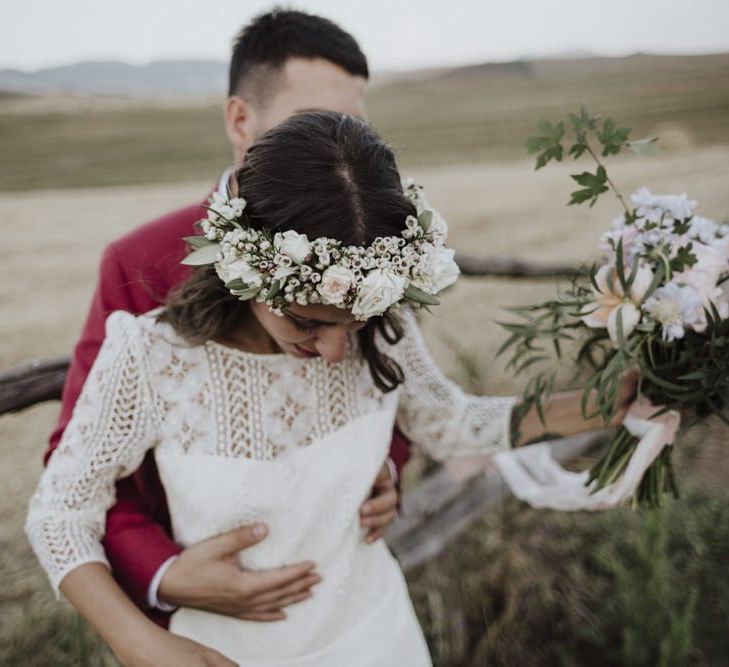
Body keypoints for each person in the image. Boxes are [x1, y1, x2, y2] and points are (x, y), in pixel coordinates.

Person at [27, 111, 634, 667]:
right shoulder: (151, 355)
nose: (338, 351)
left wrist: (612, 400)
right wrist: (140, 643)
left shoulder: (385, 333)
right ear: (246, 267)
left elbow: (452, 423)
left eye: (356, 321)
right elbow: (59, 514)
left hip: (378, 637)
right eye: (308, 321)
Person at [44, 9, 409, 628]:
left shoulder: (367, 232)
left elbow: (389, 375)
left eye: (351, 126)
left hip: (351, 593)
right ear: (240, 120)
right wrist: (164, 572)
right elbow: (78, 465)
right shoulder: (140, 261)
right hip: (213, 610)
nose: (330, 141)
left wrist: (384, 467)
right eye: (309, 120)